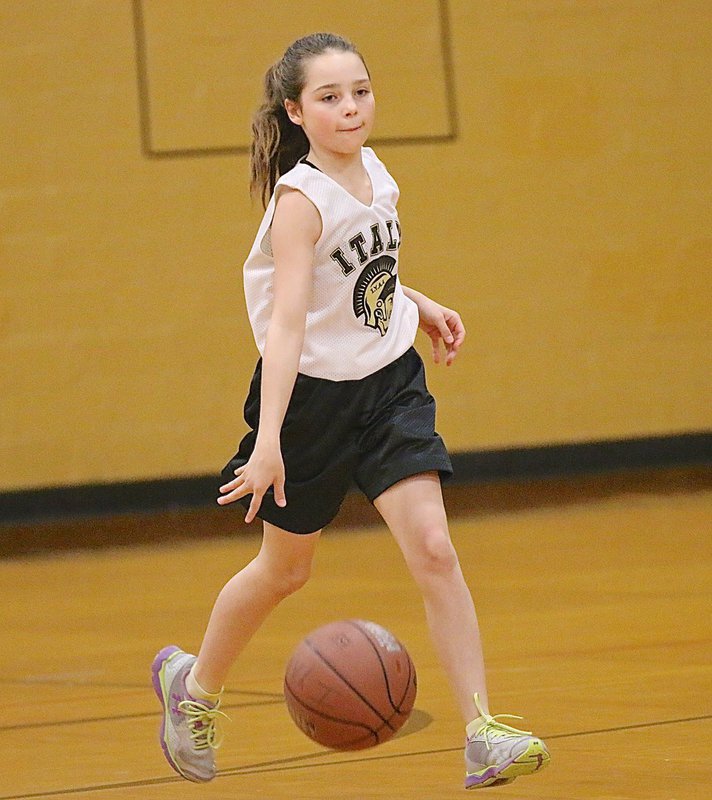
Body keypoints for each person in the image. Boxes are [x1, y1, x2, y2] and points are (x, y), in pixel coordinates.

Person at [151, 32, 550, 790]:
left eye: (360, 91)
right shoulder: (300, 201)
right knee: (283, 571)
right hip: (309, 402)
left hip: (390, 384)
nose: (351, 108)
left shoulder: (373, 168)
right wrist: (268, 441)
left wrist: (418, 302)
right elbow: (288, 326)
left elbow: (366, 272)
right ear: (297, 112)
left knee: (434, 548)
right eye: (330, 98)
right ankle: (194, 689)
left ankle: (483, 733)